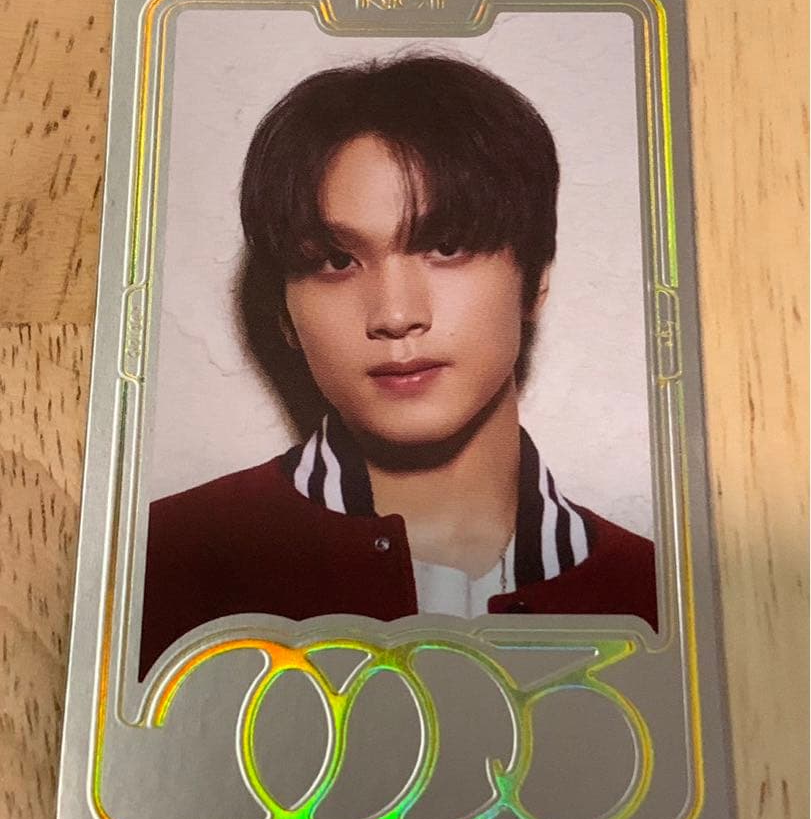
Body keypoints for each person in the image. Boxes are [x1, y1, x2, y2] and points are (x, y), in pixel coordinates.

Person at [139, 54, 657, 679]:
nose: (395, 315)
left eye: (446, 247)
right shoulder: (160, 561)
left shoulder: (660, 596)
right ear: (283, 311)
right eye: (336, 261)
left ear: (535, 279)